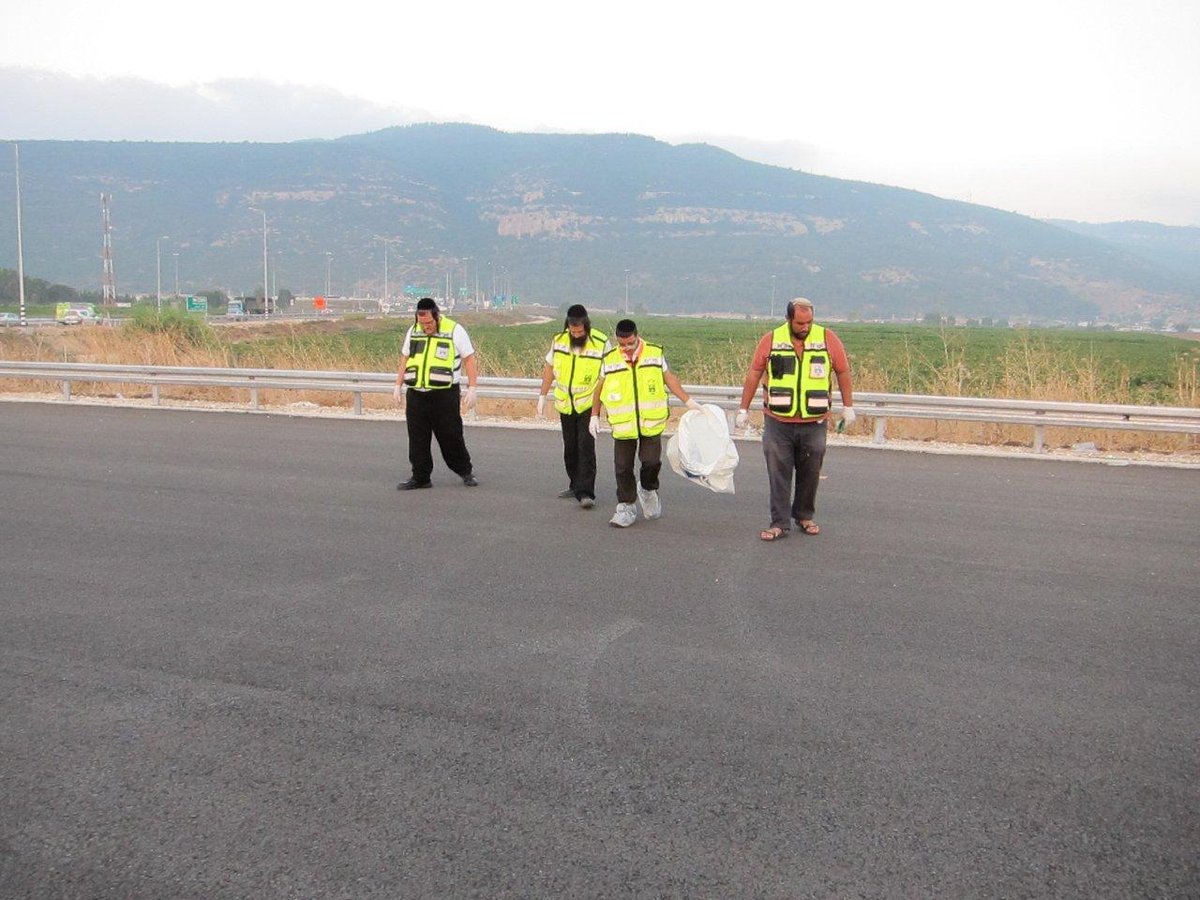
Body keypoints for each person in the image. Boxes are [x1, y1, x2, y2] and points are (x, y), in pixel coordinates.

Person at [735, 297, 854, 541]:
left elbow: (842, 371)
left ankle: (804, 515)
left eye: (809, 322)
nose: (805, 327)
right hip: (778, 421)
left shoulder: (827, 338)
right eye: (800, 323)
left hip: (814, 421)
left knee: (811, 471)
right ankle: (779, 523)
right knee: (778, 473)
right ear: (789, 319)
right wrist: (743, 409)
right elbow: (754, 374)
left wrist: (848, 406)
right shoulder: (771, 340)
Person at [589, 319, 700, 528]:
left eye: (630, 343)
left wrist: (688, 401)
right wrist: (594, 415)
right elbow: (599, 388)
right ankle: (626, 507)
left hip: (650, 422)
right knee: (622, 468)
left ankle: (648, 489)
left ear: (637, 337)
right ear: (617, 340)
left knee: (651, 462)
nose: (626, 348)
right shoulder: (609, 360)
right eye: (622, 344)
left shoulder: (654, 354)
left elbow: (670, 379)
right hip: (623, 425)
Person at [393, 297, 479, 489]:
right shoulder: (414, 330)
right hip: (416, 393)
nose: (426, 327)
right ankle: (421, 477)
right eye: (422, 323)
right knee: (417, 437)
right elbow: (405, 357)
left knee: (450, 435)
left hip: (444, 394)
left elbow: (469, 359)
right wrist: (398, 385)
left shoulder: (455, 330)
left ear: (437, 316)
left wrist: (472, 387)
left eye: (429, 323)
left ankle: (465, 471)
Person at [536, 304, 609, 509]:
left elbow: (608, 375)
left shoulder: (601, 343)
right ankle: (575, 484)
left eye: (579, 331)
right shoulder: (558, 341)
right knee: (570, 447)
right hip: (565, 403)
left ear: (586, 326)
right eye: (572, 331)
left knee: (585, 446)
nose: (576, 334)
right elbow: (549, 368)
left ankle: (586, 492)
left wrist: (599, 411)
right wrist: (542, 395)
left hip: (588, 402)